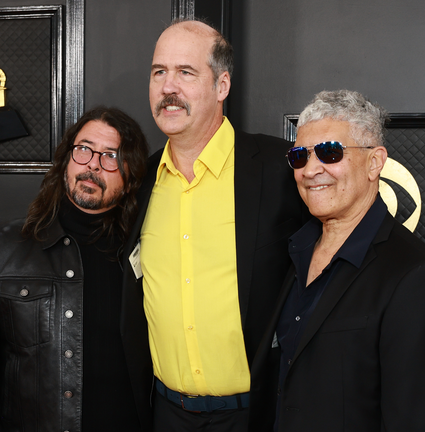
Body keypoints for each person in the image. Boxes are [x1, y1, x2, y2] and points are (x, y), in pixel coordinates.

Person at [119, 19, 306, 432]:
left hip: (257, 415)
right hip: (164, 414)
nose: (169, 87)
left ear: (222, 86)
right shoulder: (137, 184)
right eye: (158, 73)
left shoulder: (280, 168)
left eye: (186, 73)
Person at [251, 90, 425, 431]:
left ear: (375, 163)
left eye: (330, 153)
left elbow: (416, 419)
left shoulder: (414, 276)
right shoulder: (294, 251)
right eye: (300, 156)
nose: (311, 170)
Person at [0, 106, 151, 432]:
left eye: (110, 156)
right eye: (83, 150)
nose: (92, 166)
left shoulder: (148, 252)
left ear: (130, 178)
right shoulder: (2, 247)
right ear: (66, 162)